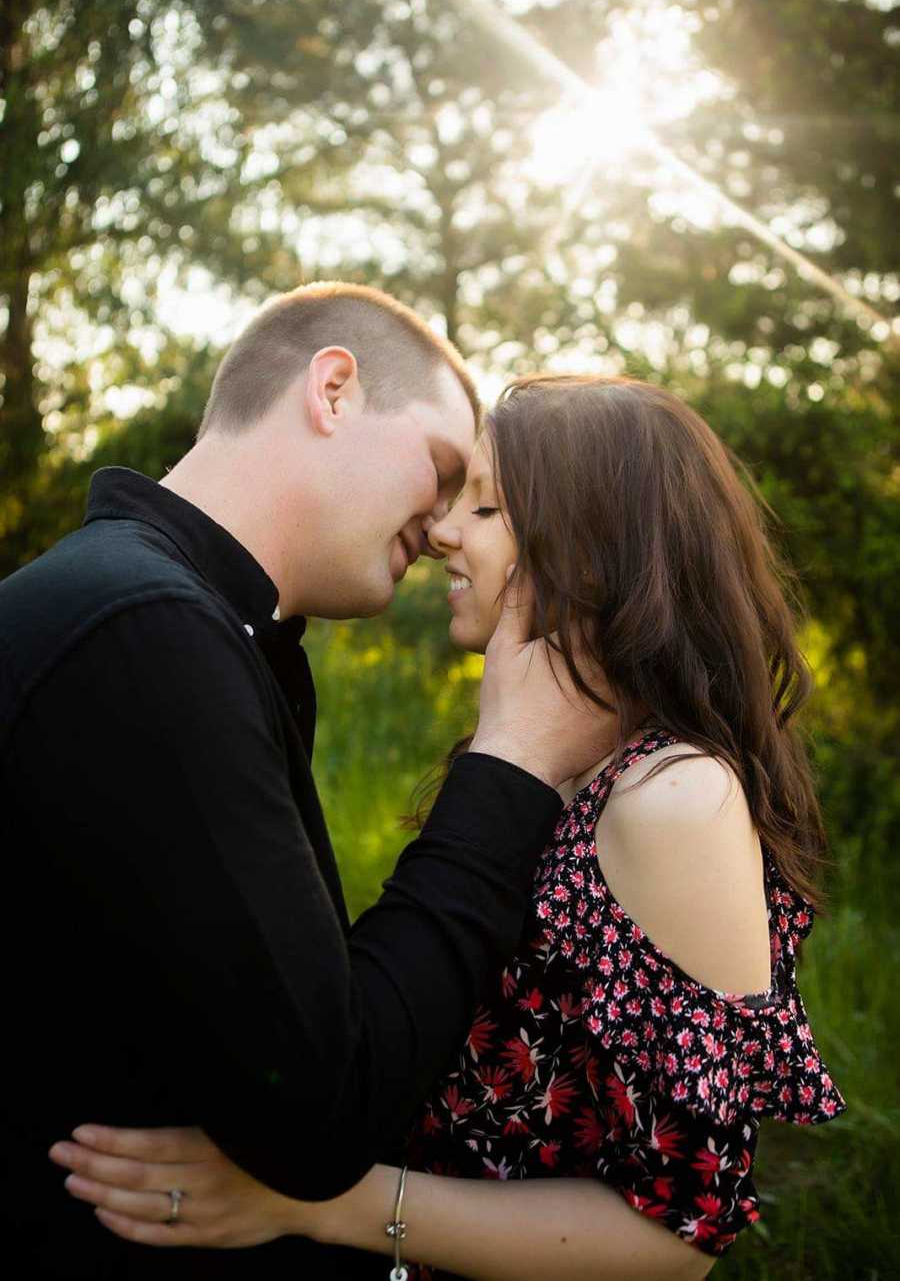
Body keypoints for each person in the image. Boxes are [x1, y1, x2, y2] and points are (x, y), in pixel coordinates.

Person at [53, 376, 846, 1279]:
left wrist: (321, 1205)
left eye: (489, 506)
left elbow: (677, 1237)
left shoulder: (672, 796)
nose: (439, 533)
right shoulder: (560, 759)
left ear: (592, 547)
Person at [1, 290, 618, 1281]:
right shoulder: (142, 628)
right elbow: (322, 1112)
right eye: (446, 472)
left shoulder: (177, 619)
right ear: (333, 389)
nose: (449, 525)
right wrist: (511, 766)